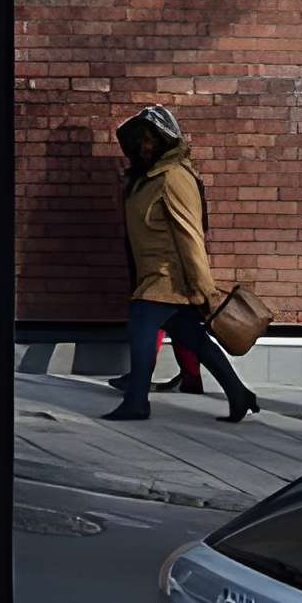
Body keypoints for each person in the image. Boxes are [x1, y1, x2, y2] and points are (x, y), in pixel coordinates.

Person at [110, 104, 257, 422]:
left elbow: (191, 236)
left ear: (163, 140)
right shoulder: (144, 179)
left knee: (142, 326)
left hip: (169, 277)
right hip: (154, 275)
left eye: (148, 139)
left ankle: (136, 402)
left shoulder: (174, 177)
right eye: (139, 140)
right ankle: (239, 393)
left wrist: (204, 289)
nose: (143, 146)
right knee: (194, 339)